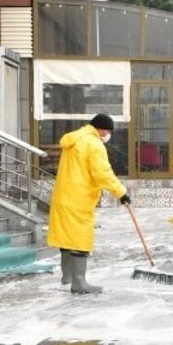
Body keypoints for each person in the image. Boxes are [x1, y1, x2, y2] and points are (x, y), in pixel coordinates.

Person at [47, 113, 129, 293]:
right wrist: (121, 192)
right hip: (79, 198)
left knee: (67, 238)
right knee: (79, 239)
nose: (108, 134)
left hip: (63, 196)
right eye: (108, 131)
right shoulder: (93, 144)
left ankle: (67, 278)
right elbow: (103, 173)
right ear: (101, 129)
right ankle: (79, 282)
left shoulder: (75, 139)